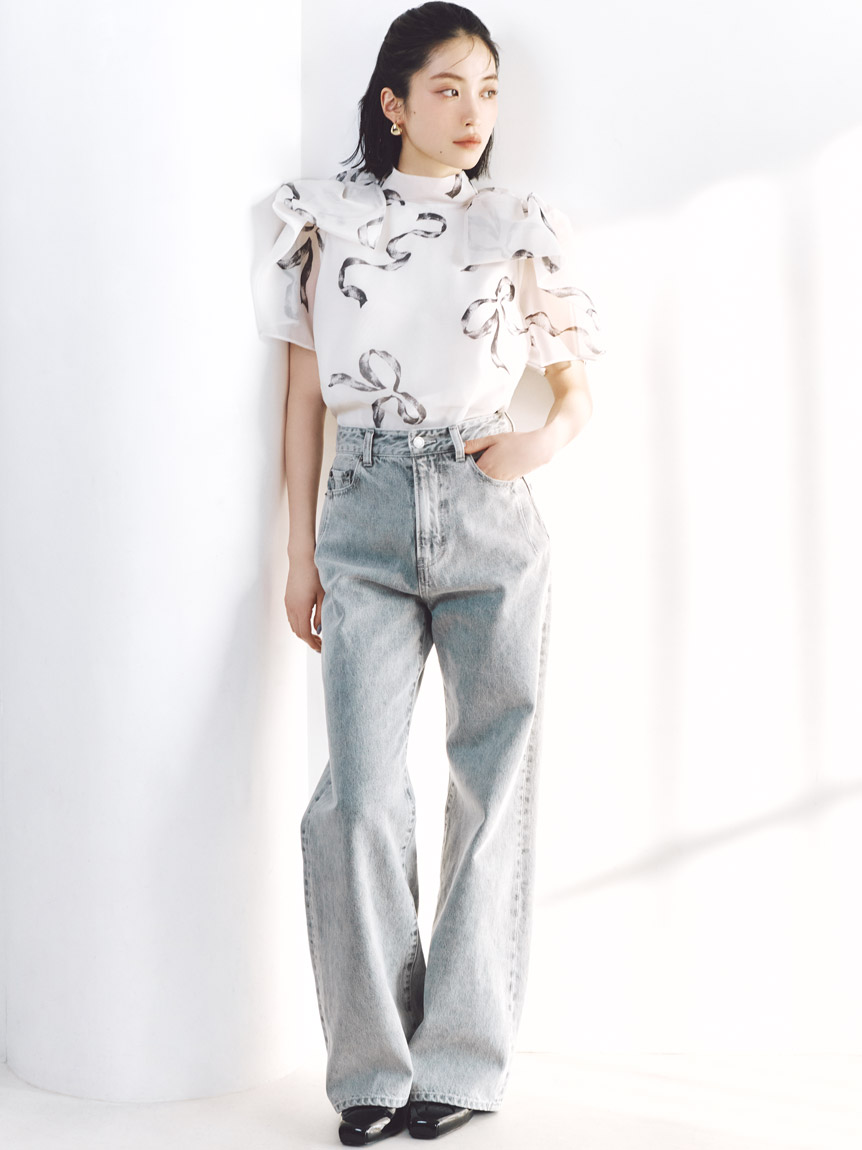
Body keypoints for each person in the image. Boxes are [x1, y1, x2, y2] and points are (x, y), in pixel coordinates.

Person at [252, 3, 604, 1143]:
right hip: (359, 513)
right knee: (357, 796)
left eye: (487, 90)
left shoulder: (516, 222)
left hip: (488, 507)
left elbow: (575, 390)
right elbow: (303, 397)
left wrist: (536, 444)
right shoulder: (324, 218)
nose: (473, 112)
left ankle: (460, 1058)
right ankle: (371, 1065)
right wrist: (298, 550)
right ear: (393, 103)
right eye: (447, 88)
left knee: (491, 790)